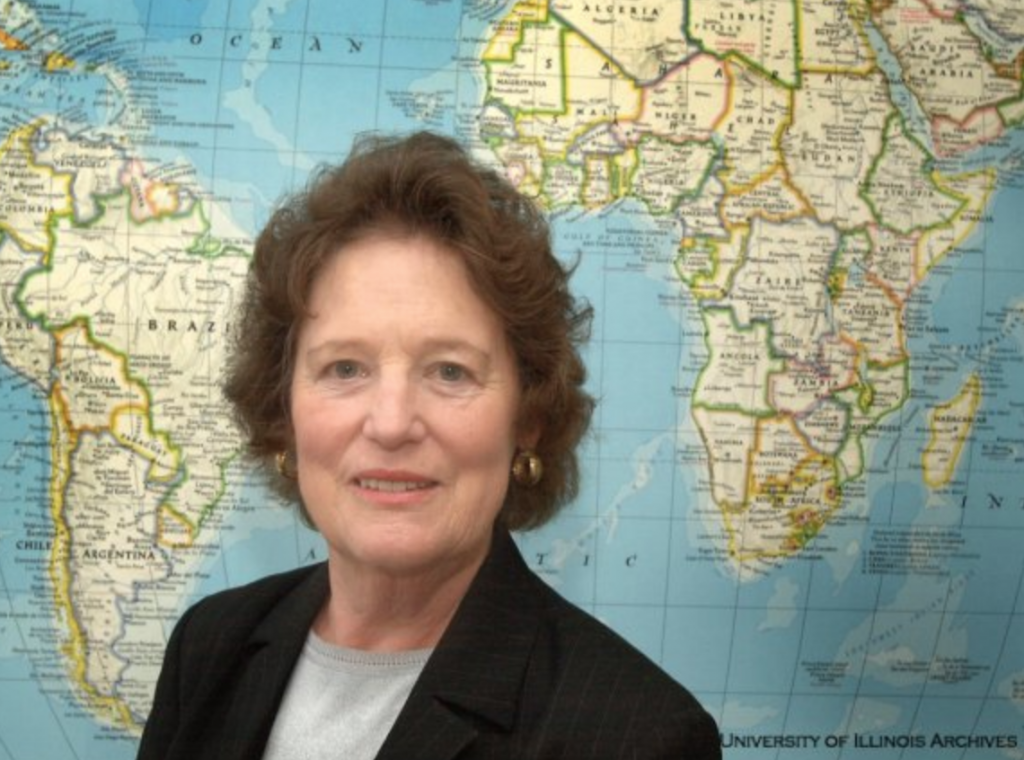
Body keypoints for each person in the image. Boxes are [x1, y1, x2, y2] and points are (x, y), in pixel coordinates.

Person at [137, 131, 721, 760]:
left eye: (449, 371)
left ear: (526, 417)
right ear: (284, 408)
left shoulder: (637, 735)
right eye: (345, 369)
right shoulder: (211, 646)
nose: (391, 424)